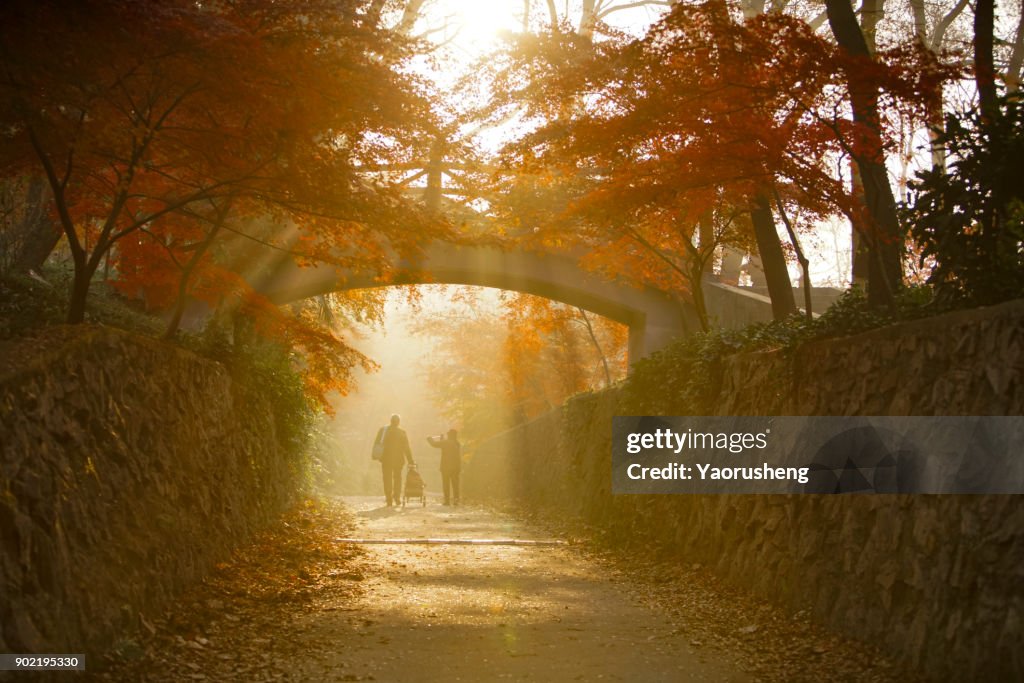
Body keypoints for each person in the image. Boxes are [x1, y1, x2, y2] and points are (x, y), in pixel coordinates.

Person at [373, 414, 413, 507]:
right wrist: (410, 460)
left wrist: (375, 455)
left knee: (387, 478)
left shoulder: (383, 430)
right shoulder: (402, 432)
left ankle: (389, 499)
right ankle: (397, 497)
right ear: (399, 422)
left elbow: (377, 443)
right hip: (398, 460)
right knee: (397, 478)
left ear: (390, 421)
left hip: (386, 459)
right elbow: (406, 447)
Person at [427, 429, 461, 506]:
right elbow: (444, 447)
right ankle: (456, 500)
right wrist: (442, 439)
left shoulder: (446, 442)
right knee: (455, 484)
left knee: (446, 484)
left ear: (449, 435)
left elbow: (434, 444)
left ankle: (447, 501)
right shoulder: (457, 443)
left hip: (446, 467)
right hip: (456, 467)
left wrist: (429, 439)